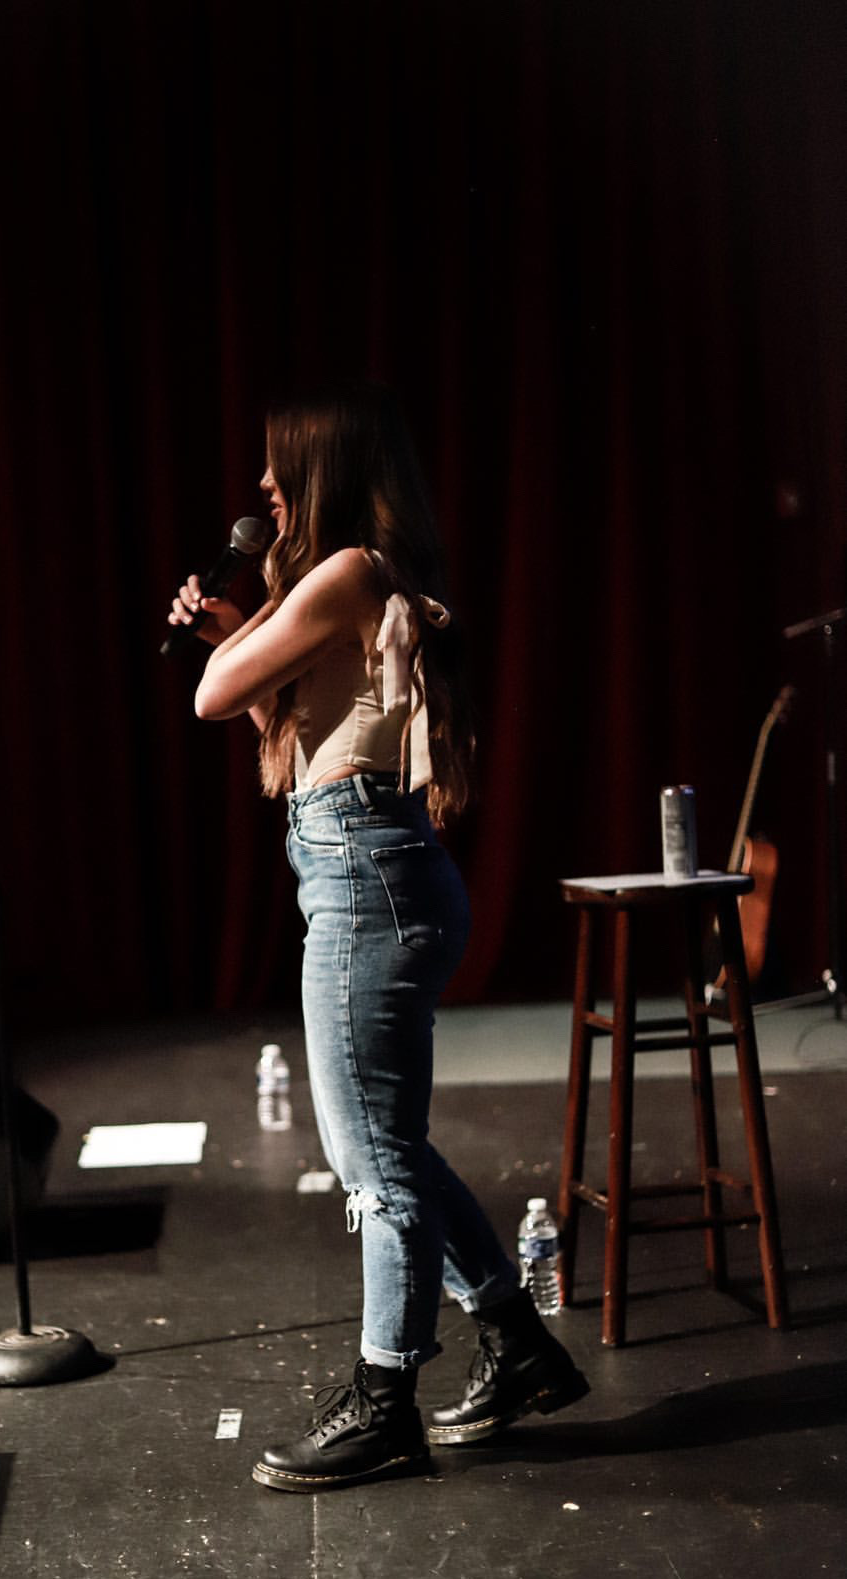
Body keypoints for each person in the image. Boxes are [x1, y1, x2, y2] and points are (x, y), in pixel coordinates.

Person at [168, 382, 588, 1491]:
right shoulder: (354, 578)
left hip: (366, 877)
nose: (263, 485)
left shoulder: (347, 570)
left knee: (373, 1159)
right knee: (390, 1146)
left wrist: (230, 635)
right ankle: (517, 1343)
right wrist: (236, 629)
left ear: (327, 468)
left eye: (280, 465)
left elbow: (213, 697)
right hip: (370, 869)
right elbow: (284, 718)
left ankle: (385, 1398)